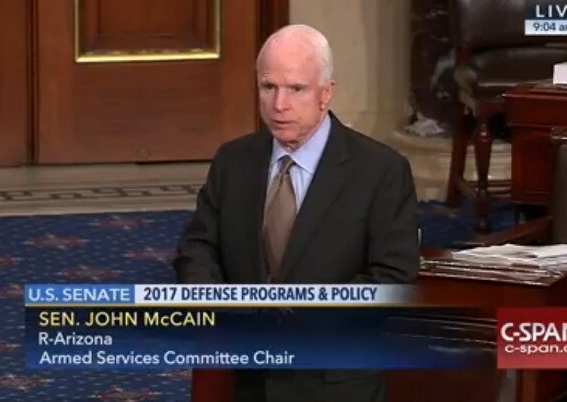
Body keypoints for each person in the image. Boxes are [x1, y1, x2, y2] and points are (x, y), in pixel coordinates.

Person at [173, 24, 420, 402]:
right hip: (246, 379)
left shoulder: (380, 171)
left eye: (296, 89)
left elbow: (392, 278)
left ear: (326, 93)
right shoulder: (233, 161)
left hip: (332, 382)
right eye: (268, 87)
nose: (279, 104)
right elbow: (198, 247)